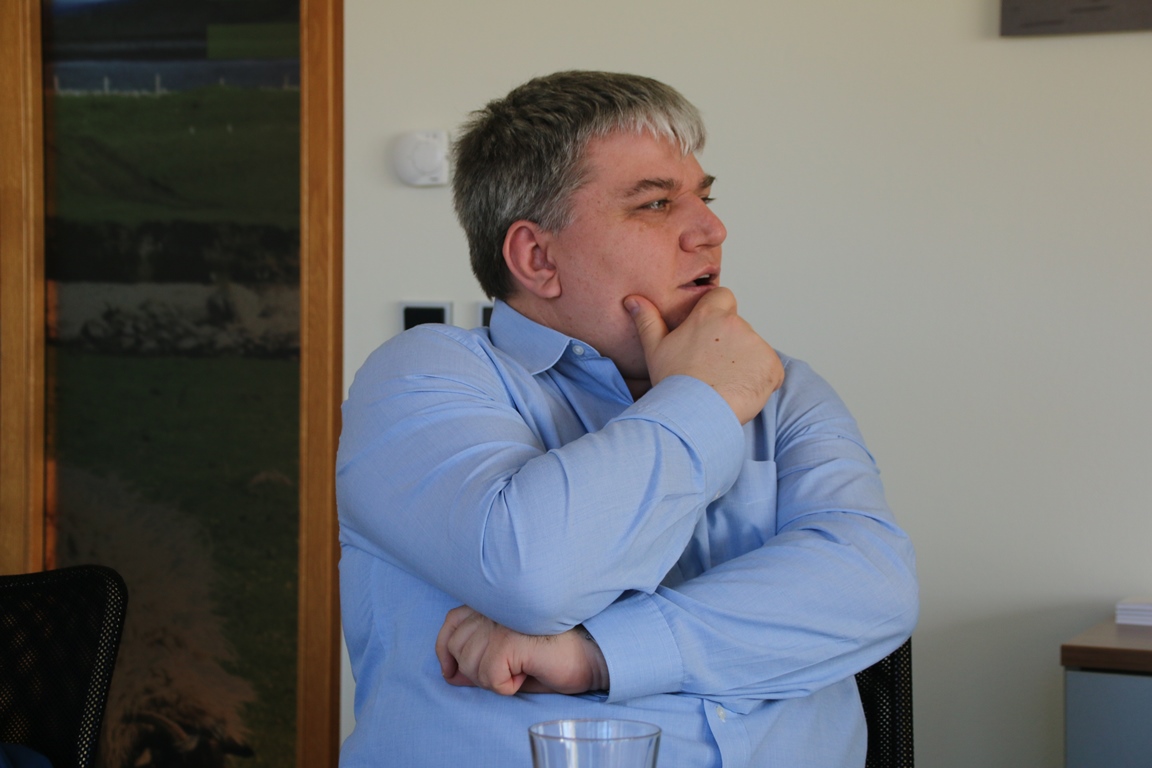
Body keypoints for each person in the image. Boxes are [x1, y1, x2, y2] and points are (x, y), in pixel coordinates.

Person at [337, 70, 918, 767]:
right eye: (656, 204)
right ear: (538, 258)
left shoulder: (780, 387)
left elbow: (875, 587)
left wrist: (595, 654)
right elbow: (535, 575)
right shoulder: (423, 377)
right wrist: (706, 401)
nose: (712, 230)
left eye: (705, 197)